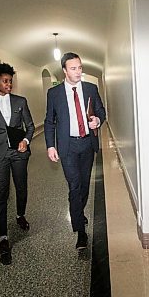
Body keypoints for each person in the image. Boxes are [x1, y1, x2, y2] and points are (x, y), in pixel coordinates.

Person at [44, 52, 106, 250]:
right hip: (68, 146)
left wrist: (98, 120)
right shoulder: (54, 94)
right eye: (73, 68)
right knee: (75, 186)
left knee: (85, 185)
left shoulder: (90, 88)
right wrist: (50, 145)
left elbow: (101, 111)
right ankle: (80, 231)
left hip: (87, 144)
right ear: (64, 70)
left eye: (80, 67)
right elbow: (49, 121)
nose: (78, 71)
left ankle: (79, 212)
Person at [0, 62, 35, 265]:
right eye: (5, 81)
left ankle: (20, 215)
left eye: (11, 81)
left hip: (18, 153)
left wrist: (26, 141)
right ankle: (3, 238)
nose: (9, 84)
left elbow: (29, 126)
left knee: (21, 187)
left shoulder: (20, 101)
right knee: (0, 194)